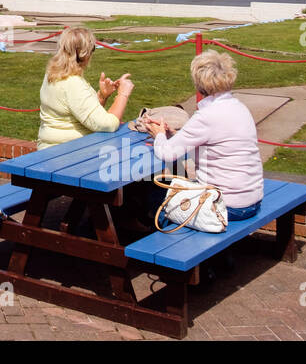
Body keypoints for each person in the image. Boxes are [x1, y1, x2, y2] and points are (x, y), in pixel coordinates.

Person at [140, 50, 263, 221]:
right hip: (252, 200)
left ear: (198, 83)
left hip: (224, 205)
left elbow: (166, 153)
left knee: (153, 194)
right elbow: (215, 146)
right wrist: (175, 135)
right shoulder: (239, 108)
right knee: (168, 188)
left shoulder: (206, 116)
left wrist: (159, 135)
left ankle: (164, 241)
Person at [36, 26, 133, 150]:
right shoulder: (72, 83)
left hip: (50, 149)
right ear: (84, 53)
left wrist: (102, 97)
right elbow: (108, 125)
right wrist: (123, 94)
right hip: (67, 154)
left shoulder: (52, 74)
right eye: (93, 49)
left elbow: (81, 112)